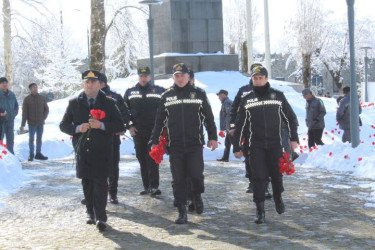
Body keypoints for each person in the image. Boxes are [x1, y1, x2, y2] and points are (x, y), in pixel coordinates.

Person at [150, 63, 218, 224]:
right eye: (177, 76)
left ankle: (197, 196)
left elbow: (209, 118)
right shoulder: (167, 96)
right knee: (178, 179)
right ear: (173, 77)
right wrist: (154, 141)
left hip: (194, 144)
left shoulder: (199, 94)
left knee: (196, 175)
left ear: (189, 77)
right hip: (175, 145)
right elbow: (159, 121)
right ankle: (182, 211)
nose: (180, 78)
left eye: (183, 75)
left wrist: (213, 137)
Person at [233, 66, 299, 224]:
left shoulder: (277, 96)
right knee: (258, 177)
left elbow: (290, 118)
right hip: (255, 145)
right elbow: (240, 124)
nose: (257, 80)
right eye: (255, 78)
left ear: (266, 78)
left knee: (276, 176)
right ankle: (260, 210)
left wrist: (293, 138)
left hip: (275, 144)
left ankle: (278, 198)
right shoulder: (246, 99)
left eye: (260, 78)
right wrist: (236, 146)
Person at [60, 70, 124, 232]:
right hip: (83, 151)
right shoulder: (74, 102)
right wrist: (77, 128)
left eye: (93, 82)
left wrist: (102, 125)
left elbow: (119, 126)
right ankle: (90, 213)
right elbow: (63, 125)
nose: (90, 85)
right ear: (83, 84)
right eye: (87, 82)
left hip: (102, 150)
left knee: (101, 183)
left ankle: (101, 217)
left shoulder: (108, 102)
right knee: (87, 182)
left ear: (99, 84)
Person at [228, 63, 272, 196]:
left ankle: (265, 185)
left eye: (260, 75)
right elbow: (233, 110)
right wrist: (232, 126)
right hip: (247, 131)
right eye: (255, 74)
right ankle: (253, 182)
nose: (258, 78)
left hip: (266, 131)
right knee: (250, 159)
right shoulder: (243, 91)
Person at [124, 66, 166, 196]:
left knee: (153, 158)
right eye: (141, 76)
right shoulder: (130, 92)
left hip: (154, 131)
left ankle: (154, 186)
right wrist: (129, 126)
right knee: (141, 158)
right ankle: (146, 186)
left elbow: (166, 109)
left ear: (150, 77)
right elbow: (124, 111)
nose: (143, 78)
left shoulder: (159, 91)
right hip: (138, 131)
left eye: (146, 76)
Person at [99, 73, 127, 204]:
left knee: (113, 167)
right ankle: (96, 193)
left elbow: (124, 115)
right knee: (95, 167)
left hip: (112, 137)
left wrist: (120, 128)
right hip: (96, 139)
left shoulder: (115, 97)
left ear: (103, 83)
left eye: (96, 82)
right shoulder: (90, 98)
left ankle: (112, 193)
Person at [20, 83, 49, 161]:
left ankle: (38, 153)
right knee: (31, 139)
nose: (35, 89)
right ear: (30, 89)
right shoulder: (27, 99)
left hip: (40, 123)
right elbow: (24, 112)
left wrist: (43, 118)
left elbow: (46, 109)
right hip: (31, 123)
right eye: (33, 87)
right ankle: (31, 155)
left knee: (39, 139)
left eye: (36, 87)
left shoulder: (42, 98)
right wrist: (23, 124)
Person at [0, 77, 19, 154]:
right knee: (0, 139)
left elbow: (16, 106)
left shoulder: (11, 94)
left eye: (5, 82)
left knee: (10, 139)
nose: (4, 84)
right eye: (2, 83)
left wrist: (13, 114)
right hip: (1, 121)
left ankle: (11, 155)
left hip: (10, 121)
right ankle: (1, 156)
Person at [217, 89, 233, 162]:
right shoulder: (225, 102)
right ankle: (225, 158)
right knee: (228, 143)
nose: (218, 97)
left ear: (223, 95)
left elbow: (229, 115)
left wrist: (228, 126)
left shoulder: (227, 103)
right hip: (229, 127)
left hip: (230, 127)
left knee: (234, 142)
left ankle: (248, 157)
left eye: (219, 95)